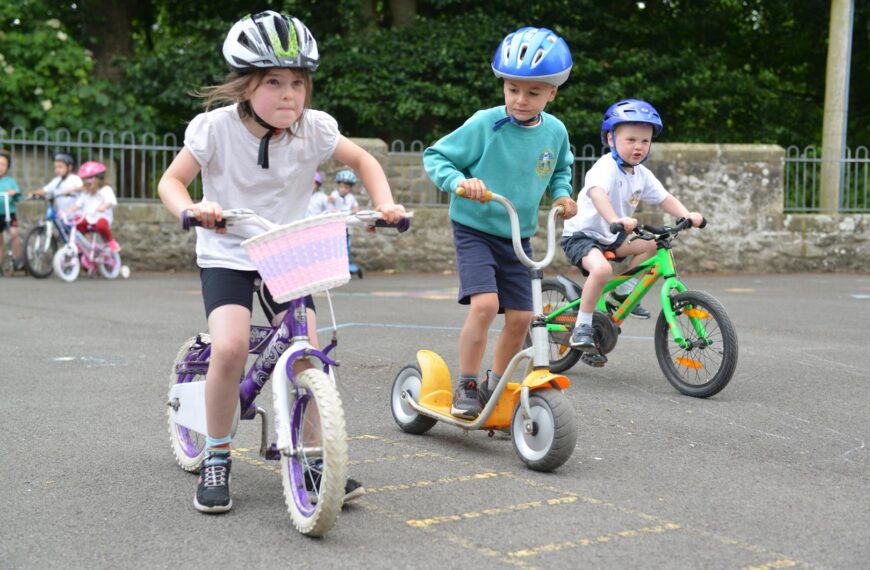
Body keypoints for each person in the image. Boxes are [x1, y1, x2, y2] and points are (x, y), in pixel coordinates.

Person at [157, 10, 405, 515]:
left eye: (298, 82)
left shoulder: (313, 130)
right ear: (246, 86)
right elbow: (170, 181)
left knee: (308, 353)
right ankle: (218, 454)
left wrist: (385, 204)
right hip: (227, 249)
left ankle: (315, 459)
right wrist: (193, 209)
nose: (290, 94)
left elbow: (364, 162)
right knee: (228, 348)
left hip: (287, 250)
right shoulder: (214, 129)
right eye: (274, 82)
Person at [422, 26, 578, 419]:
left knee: (524, 316)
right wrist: (460, 181)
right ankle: (468, 382)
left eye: (533, 92)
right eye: (513, 90)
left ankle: (495, 382)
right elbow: (436, 156)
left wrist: (561, 193)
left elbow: (560, 169)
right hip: (475, 229)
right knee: (486, 306)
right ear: (504, 87)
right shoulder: (484, 123)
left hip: (519, 235)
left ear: (552, 93)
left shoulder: (555, 131)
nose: (521, 100)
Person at [561, 99, 704, 351]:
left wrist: (687, 214)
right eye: (631, 140)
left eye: (645, 141)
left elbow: (665, 198)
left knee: (651, 244)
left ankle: (621, 294)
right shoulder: (604, 167)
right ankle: (582, 326)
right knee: (602, 271)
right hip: (583, 236)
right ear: (611, 139)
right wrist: (615, 219)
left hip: (612, 237)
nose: (638, 147)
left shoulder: (641, 174)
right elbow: (597, 194)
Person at [64, 161, 120, 253]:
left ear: (99, 178)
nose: (87, 181)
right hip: (89, 217)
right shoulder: (86, 192)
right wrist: (66, 213)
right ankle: (86, 242)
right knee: (76, 222)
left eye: (90, 178)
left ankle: (111, 241)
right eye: (86, 179)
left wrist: (103, 206)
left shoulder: (105, 190)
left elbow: (110, 201)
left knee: (101, 225)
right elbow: (77, 205)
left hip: (102, 217)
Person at [0, 149, 24, 272]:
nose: (0, 167)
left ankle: (19, 259)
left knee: (14, 234)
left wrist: (13, 193)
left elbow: (19, 196)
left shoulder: (10, 181)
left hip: (9, 213)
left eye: (3, 164)